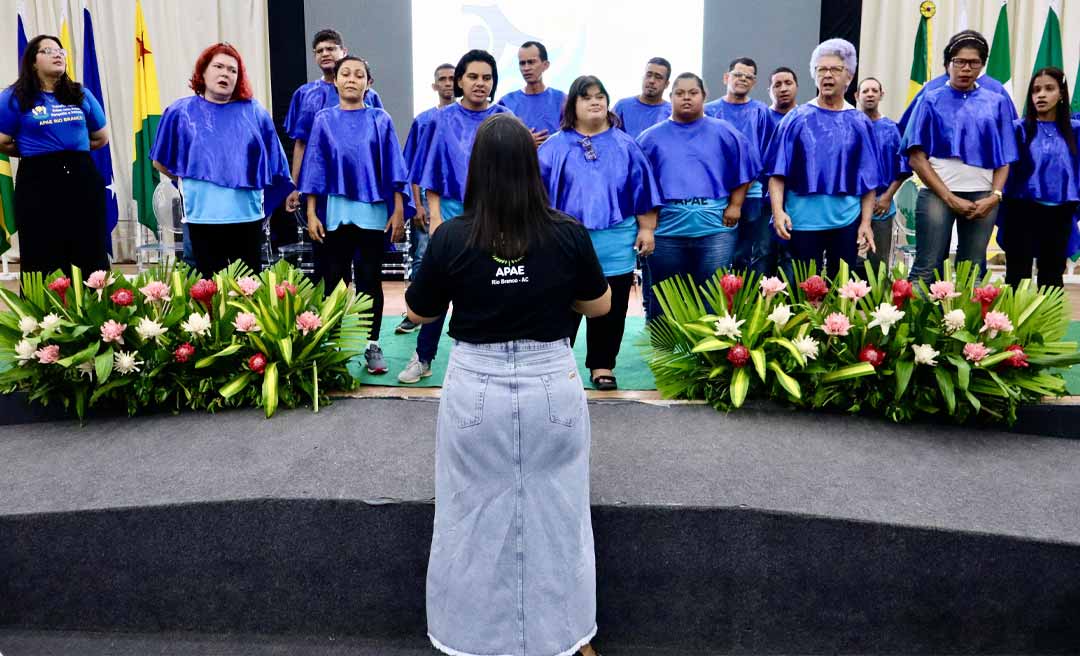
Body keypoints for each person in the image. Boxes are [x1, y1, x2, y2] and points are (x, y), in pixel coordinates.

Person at [406, 112, 609, 656]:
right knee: (561, 515)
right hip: (551, 380)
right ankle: (568, 639)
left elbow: (418, 310)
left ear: (475, 168)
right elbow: (600, 304)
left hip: (476, 384)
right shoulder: (566, 232)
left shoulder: (452, 237)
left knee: (467, 515)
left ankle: (467, 640)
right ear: (531, 164)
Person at [539, 75, 660, 390]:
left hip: (614, 242)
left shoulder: (626, 145)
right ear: (573, 106)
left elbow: (643, 191)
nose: (595, 102)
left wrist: (647, 229)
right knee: (560, 304)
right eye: (586, 97)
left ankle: (602, 365)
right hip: (562, 244)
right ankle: (555, 365)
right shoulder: (552, 147)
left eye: (600, 96)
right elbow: (535, 197)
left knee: (612, 306)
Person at [398, 49, 512, 383]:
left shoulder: (504, 118)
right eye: (473, 77)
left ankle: (494, 357)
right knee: (440, 286)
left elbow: (514, 174)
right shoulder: (441, 120)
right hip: (451, 215)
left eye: (487, 77)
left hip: (496, 217)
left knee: (496, 285)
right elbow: (432, 172)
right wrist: (435, 217)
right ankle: (423, 357)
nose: (480, 83)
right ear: (459, 80)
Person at [297, 56, 411, 374]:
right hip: (333, 215)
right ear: (335, 81)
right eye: (345, 73)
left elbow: (394, 169)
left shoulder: (381, 119)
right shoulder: (323, 119)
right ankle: (333, 344)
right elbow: (315, 168)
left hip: (373, 216)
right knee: (333, 281)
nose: (351, 79)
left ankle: (371, 345)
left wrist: (399, 211)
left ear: (368, 83)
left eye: (359, 74)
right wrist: (311, 213)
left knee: (369, 281)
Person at [151, 43, 293, 278]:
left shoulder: (254, 112)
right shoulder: (180, 112)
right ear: (203, 71)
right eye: (218, 66)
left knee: (247, 289)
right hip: (201, 216)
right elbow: (161, 160)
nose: (225, 73)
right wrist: (193, 180)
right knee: (206, 289)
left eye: (232, 70)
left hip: (246, 217)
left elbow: (275, 165)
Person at [900, 30, 1017, 284]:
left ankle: (967, 324)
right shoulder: (929, 99)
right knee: (926, 268)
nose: (966, 68)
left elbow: (1005, 158)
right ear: (948, 64)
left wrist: (994, 197)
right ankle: (914, 323)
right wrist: (949, 197)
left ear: (982, 65)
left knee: (973, 271)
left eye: (973, 63)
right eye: (959, 62)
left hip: (983, 197)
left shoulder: (995, 102)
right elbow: (916, 158)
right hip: (937, 195)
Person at [637, 73, 758, 320]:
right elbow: (641, 188)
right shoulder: (650, 138)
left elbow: (745, 168)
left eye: (693, 92)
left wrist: (735, 205)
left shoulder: (725, 132)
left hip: (715, 229)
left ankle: (710, 356)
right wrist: (647, 228)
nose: (686, 98)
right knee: (665, 297)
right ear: (670, 97)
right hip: (668, 231)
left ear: (704, 96)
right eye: (680, 93)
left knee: (713, 296)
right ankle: (665, 353)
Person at [766, 38, 881, 280]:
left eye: (835, 69)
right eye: (821, 69)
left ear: (848, 77)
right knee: (802, 293)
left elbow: (870, 180)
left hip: (846, 222)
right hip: (802, 222)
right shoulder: (795, 118)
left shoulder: (860, 122)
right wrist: (778, 212)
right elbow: (776, 173)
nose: (827, 75)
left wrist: (866, 222)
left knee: (843, 293)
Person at [0, 34, 110, 276]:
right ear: (32, 62)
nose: (58, 54)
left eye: (61, 51)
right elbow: (3, 141)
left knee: (89, 247)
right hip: (38, 180)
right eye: (48, 51)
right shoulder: (13, 97)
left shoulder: (81, 94)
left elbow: (101, 137)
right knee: (42, 250)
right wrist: (38, 151)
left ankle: (94, 309)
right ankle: (43, 313)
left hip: (82, 177)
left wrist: (70, 152)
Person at [1003, 67, 1080, 289]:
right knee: (1018, 273)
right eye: (1036, 90)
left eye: (1049, 89)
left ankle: (1048, 322)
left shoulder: (1075, 130)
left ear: (1062, 94)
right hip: (1022, 207)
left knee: (1052, 273)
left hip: (1060, 211)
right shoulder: (1018, 129)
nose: (1041, 95)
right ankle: (1013, 322)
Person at [395, 63, 455, 335]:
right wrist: (417, 204)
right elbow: (414, 166)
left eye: (452, 78)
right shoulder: (424, 120)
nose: (448, 83)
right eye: (442, 79)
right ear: (434, 86)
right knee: (422, 256)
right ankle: (417, 312)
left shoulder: (465, 118)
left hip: (458, 200)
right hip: (427, 201)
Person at [705, 57, 773, 276]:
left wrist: (741, 192)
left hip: (751, 194)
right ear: (727, 77)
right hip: (716, 193)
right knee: (716, 253)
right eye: (738, 74)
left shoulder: (762, 112)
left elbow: (764, 156)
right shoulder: (708, 111)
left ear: (754, 83)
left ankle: (742, 304)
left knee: (745, 253)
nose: (742, 79)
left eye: (748, 77)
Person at [857, 77, 909, 270]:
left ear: (881, 94)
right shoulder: (851, 125)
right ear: (857, 95)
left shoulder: (892, 129)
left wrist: (888, 197)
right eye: (865, 91)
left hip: (881, 205)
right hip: (851, 205)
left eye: (874, 90)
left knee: (878, 263)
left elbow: (903, 168)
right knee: (847, 262)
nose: (870, 94)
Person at [496, 41, 566, 146]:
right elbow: (497, 140)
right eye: (522, 63)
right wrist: (522, 141)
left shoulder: (562, 100)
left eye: (531, 62)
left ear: (545, 65)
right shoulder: (506, 103)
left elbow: (573, 137)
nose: (526, 68)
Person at [612, 57, 672, 139]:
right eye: (649, 75)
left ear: (666, 84)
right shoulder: (622, 106)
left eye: (658, 77)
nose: (651, 81)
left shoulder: (671, 112)